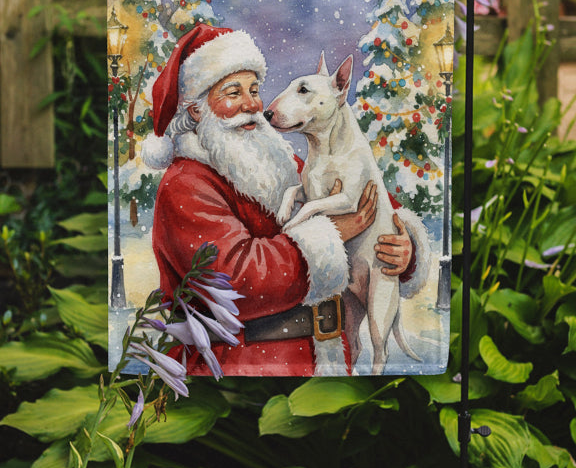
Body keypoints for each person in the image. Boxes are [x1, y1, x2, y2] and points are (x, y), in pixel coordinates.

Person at [142, 23, 429, 376]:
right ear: (197, 110)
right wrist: (332, 235)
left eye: (254, 90)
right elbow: (236, 280)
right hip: (241, 372)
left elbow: (368, 203)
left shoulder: (279, 164)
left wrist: (403, 248)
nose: (252, 104)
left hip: (327, 366)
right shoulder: (185, 185)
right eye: (233, 92)